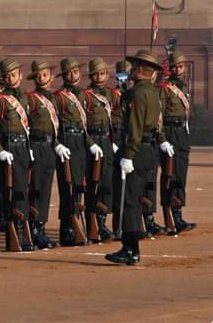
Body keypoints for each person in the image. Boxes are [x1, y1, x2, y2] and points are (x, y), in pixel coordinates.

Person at [106, 50, 164, 265]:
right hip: (147, 149)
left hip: (136, 151)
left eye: (133, 67)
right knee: (134, 198)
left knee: (128, 199)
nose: (130, 70)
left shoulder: (138, 94)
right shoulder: (152, 92)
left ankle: (130, 248)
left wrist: (128, 154)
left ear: (140, 69)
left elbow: (135, 126)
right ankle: (131, 247)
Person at [54, 58, 103, 247]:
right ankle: (67, 229)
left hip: (81, 144)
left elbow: (84, 128)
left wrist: (91, 144)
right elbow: (54, 125)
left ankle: (78, 228)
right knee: (68, 188)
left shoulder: (83, 95)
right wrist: (57, 144)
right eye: (68, 73)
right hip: (67, 143)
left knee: (80, 187)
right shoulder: (59, 97)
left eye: (75, 72)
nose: (72, 76)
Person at [0, 59, 34, 251]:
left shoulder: (25, 98)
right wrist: (0, 150)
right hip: (9, 148)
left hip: (23, 147)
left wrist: (29, 148)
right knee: (11, 192)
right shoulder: (0, 100)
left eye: (13, 74)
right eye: (7, 76)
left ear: (20, 75)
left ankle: (23, 230)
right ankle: (14, 232)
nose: (10, 78)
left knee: (23, 190)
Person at [159, 51, 196, 233]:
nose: (177, 69)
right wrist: (163, 139)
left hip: (182, 133)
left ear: (185, 67)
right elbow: (159, 116)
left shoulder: (184, 87)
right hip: (170, 132)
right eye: (174, 67)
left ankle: (178, 215)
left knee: (181, 174)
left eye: (180, 66)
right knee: (170, 175)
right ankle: (171, 217)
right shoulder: (165, 88)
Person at [25, 59, 59, 249]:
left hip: (50, 147)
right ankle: (33, 230)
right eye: (38, 76)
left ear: (51, 77)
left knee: (45, 190)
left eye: (45, 75)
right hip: (36, 146)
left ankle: (41, 227)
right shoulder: (31, 99)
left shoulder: (53, 99)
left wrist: (58, 145)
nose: (41, 78)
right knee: (36, 189)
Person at [83, 57, 118, 241]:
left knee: (106, 182)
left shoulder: (111, 94)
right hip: (93, 141)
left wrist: (114, 140)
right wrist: (90, 144)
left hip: (106, 140)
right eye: (95, 74)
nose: (99, 77)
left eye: (102, 73)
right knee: (93, 183)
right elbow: (81, 125)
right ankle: (93, 224)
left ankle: (102, 222)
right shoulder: (85, 96)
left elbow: (118, 116)